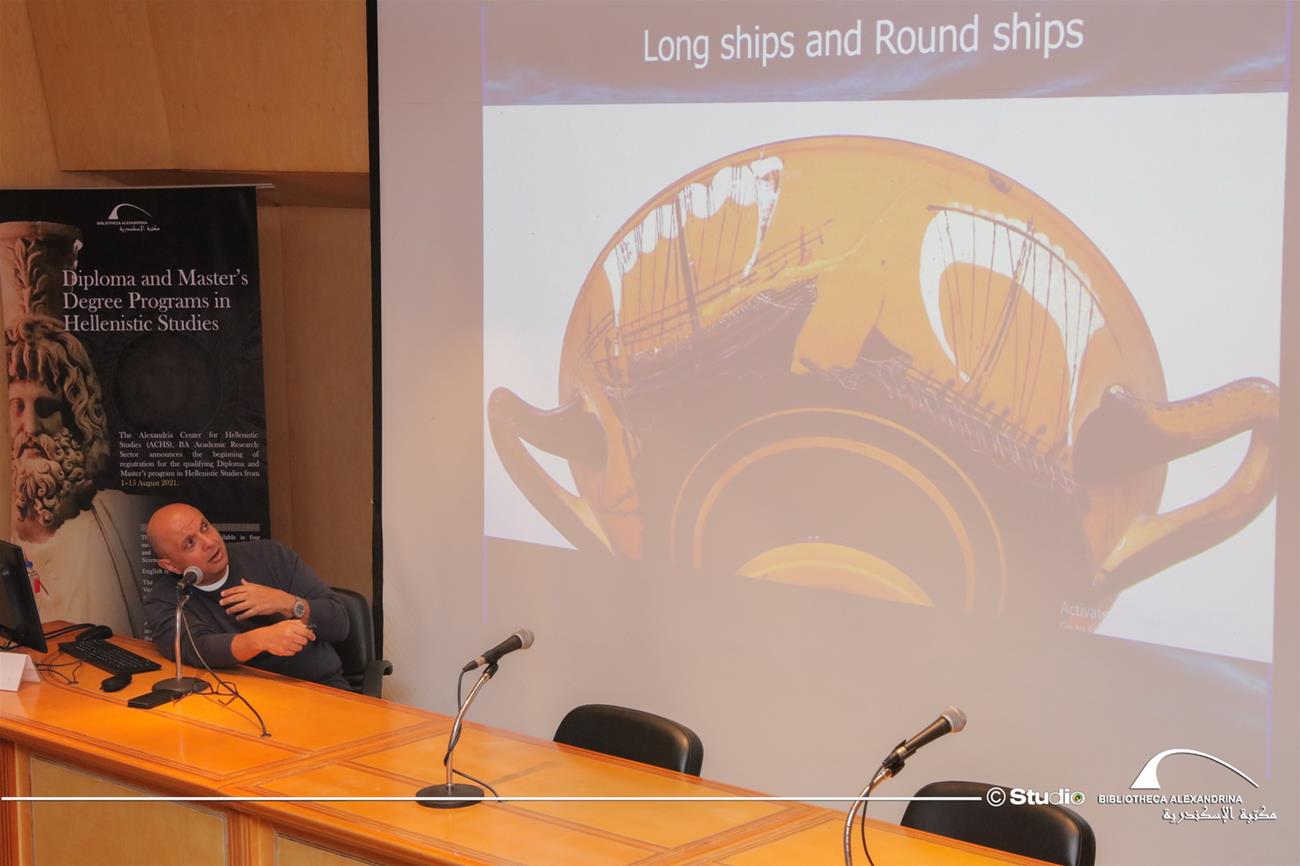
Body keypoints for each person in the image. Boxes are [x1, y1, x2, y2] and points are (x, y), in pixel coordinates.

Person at [7, 315, 156, 634]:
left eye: (46, 408)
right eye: (17, 406)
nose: (31, 427)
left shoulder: (119, 520)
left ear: (75, 418)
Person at [144, 502, 350, 689]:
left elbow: (339, 624)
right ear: (170, 565)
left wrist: (287, 603)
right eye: (190, 543)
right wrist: (258, 640)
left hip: (317, 687)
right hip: (239, 697)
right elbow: (196, 648)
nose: (209, 542)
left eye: (205, 527)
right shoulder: (165, 599)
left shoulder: (270, 555)